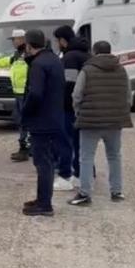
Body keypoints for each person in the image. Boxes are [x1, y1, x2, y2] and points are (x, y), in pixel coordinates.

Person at [68, 41, 133, 206]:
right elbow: (127, 96)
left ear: (94, 52)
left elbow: (76, 95)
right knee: (114, 156)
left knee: (86, 158)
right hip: (114, 122)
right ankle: (116, 192)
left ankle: (85, 193)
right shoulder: (121, 70)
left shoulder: (87, 70)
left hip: (90, 122)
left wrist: (79, 113)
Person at [21, 29, 66, 217]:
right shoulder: (55, 60)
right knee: (46, 161)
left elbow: (36, 93)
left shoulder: (38, 65)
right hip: (55, 118)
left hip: (42, 121)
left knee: (43, 163)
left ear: (29, 45)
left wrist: (26, 111)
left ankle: (45, 204)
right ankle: (42, 199)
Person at [0, 29, 30, 161]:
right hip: (19, 93)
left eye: (14, 40)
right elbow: (4, 61)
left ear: (21, 39)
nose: (13, 42)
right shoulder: (17, 55)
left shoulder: (29, 54)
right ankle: (26, 148)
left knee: (25, 122)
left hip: (26, 93)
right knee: (21, 121)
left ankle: (25, 149)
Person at [53, 25, 90, 192]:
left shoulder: (70, 58)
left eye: (58, 40)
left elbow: (70, 85)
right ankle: (82, 174)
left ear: (63, 40)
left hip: (69, 108)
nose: (57, 44)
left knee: (65, 141)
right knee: (80, 142)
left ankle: (65, 175)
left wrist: (61, 103)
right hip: (86, 106)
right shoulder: (86, 54)